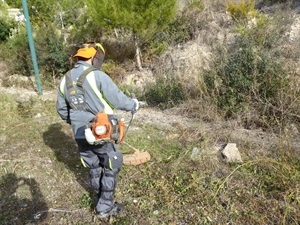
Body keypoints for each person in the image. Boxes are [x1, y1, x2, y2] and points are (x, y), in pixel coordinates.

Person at [56, 42, 138, 218]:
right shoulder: (97, 76)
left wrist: (77, 122)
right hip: (102, 131)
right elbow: (117, 99)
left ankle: (98, 197)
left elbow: (62, 110)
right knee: (112, 162)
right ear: (93, 58)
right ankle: (104, 207)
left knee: (93, 164)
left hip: (79, 132)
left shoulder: (65, 80)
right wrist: (133, 104)